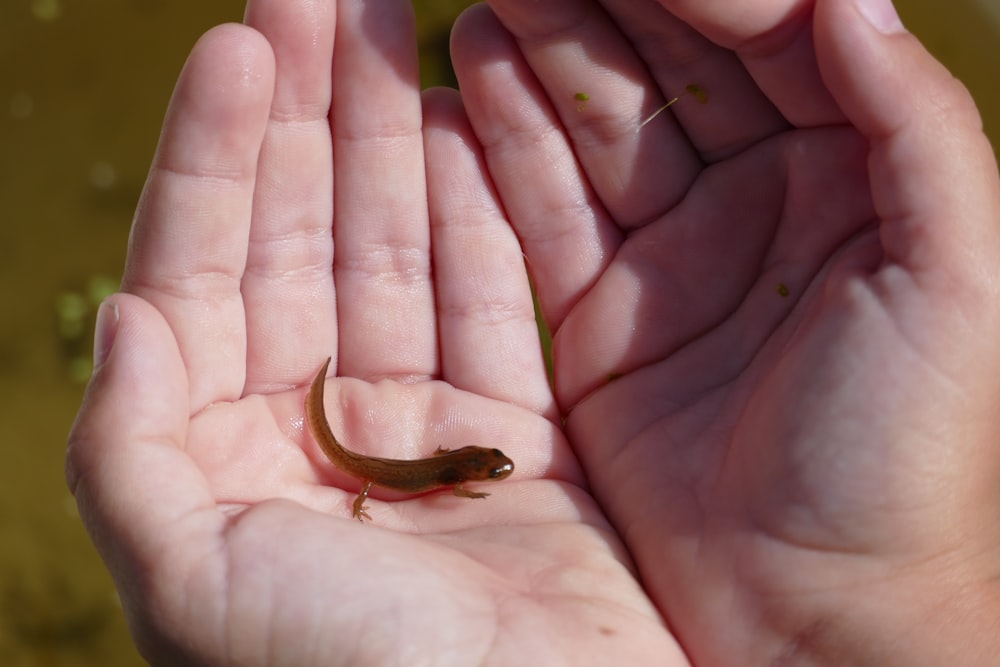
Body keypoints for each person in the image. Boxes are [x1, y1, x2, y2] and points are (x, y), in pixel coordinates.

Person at [67, 0, 1000, 663]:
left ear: (469, 468)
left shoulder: (457, 471)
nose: (487, 470)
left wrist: (875, 606)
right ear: (471, 466)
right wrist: (875, 616)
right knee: (360, 468)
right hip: (367, 474)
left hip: (393, 477)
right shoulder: (438, 472)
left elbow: (451, 474)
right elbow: (429, 476)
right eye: (486, 468)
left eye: (483, 469)